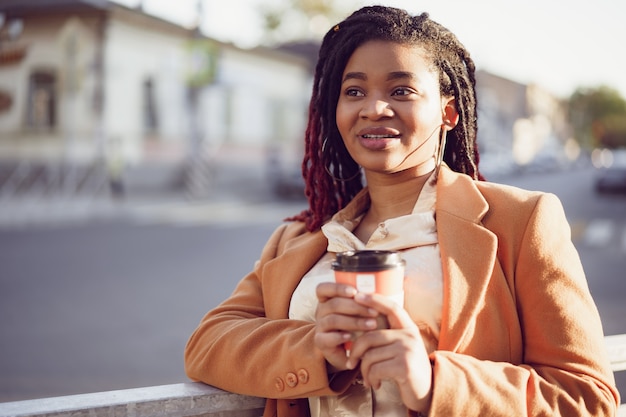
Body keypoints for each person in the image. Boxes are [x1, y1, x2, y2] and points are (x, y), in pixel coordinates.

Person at [185, 6, 620, 416]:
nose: (373, 108)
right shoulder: (300, 238)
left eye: (401, 90)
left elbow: (587, 397)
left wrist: (434, 381)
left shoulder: (522, 222)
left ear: (448, 111)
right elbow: (207, 345)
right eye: (354, 91)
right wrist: (316, 349)